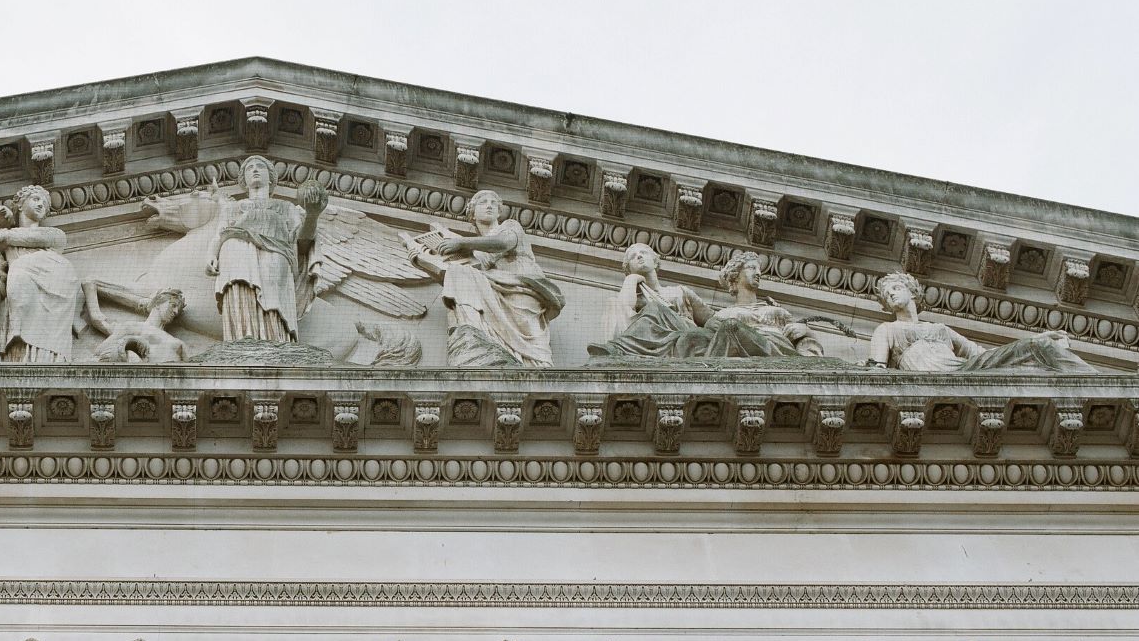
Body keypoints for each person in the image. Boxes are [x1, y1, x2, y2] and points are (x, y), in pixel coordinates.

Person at [590, 246, 824, 360]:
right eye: (632, 256)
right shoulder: (639, 294)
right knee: (658, 315)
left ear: (656, 259)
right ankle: (619, 349)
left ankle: (619, 349)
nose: (639, 257)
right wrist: (631, 280)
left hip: (692, 336)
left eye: (643, 252)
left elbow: (710, 321)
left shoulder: (680, 291)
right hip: (676, 341)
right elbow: (625, 305)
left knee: (690, 329)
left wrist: (805, 331)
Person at [420, 189, 561, 365]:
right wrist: (423, 262)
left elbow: (503, 243)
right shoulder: (478, 251)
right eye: (483, 202)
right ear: (472, 213)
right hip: (494, 287)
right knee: (459, 273)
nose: (489, 206)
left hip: (520, 285)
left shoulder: (509, 226)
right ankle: (472, 333)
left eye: (494, 203)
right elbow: (463, 279)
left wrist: (462, 242)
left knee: (527, 328)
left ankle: (536, 363)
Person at [0, 184, 101, 363]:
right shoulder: (5, 236)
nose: (40, 204)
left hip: (57, 282)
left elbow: (43, 238)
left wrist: (5, 237)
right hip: (22, 282)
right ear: (20, 205)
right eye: (35, 199)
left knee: (21, 272)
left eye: (44, 203)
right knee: (19, 278)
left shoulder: (53, 234)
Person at [868, 270, 1092, 372]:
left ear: (912, 292)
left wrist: (1033, 339)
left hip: (962, 371)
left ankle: (1090, 381)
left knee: (1039, 346)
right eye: (887, 295)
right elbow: (876, 369)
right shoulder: (887, 330)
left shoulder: (941, 329)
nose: (892, 295)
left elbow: (983, 356)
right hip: (935, 377)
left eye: (896, 288)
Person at [206, 156, 326, 343]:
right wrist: (212, 255)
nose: (254, 170)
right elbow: (219, 234)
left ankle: (276, 343)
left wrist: (312, 215)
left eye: (260, 166)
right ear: (243, 181)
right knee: (240, 288)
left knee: (273, 301)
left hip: (276, 254)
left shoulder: (285, 207)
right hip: (235, 250)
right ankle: (240, 341)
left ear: (270, 178)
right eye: (249, 168)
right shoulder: (232, 208)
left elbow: (302, 242)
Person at [94, 288, 187, 362]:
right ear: (158, 303)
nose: (176, 312)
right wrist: (129, 342)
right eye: (173, 305)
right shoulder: (132, 327)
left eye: (178, 310)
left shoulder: (177, 343)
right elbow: (99, 352)